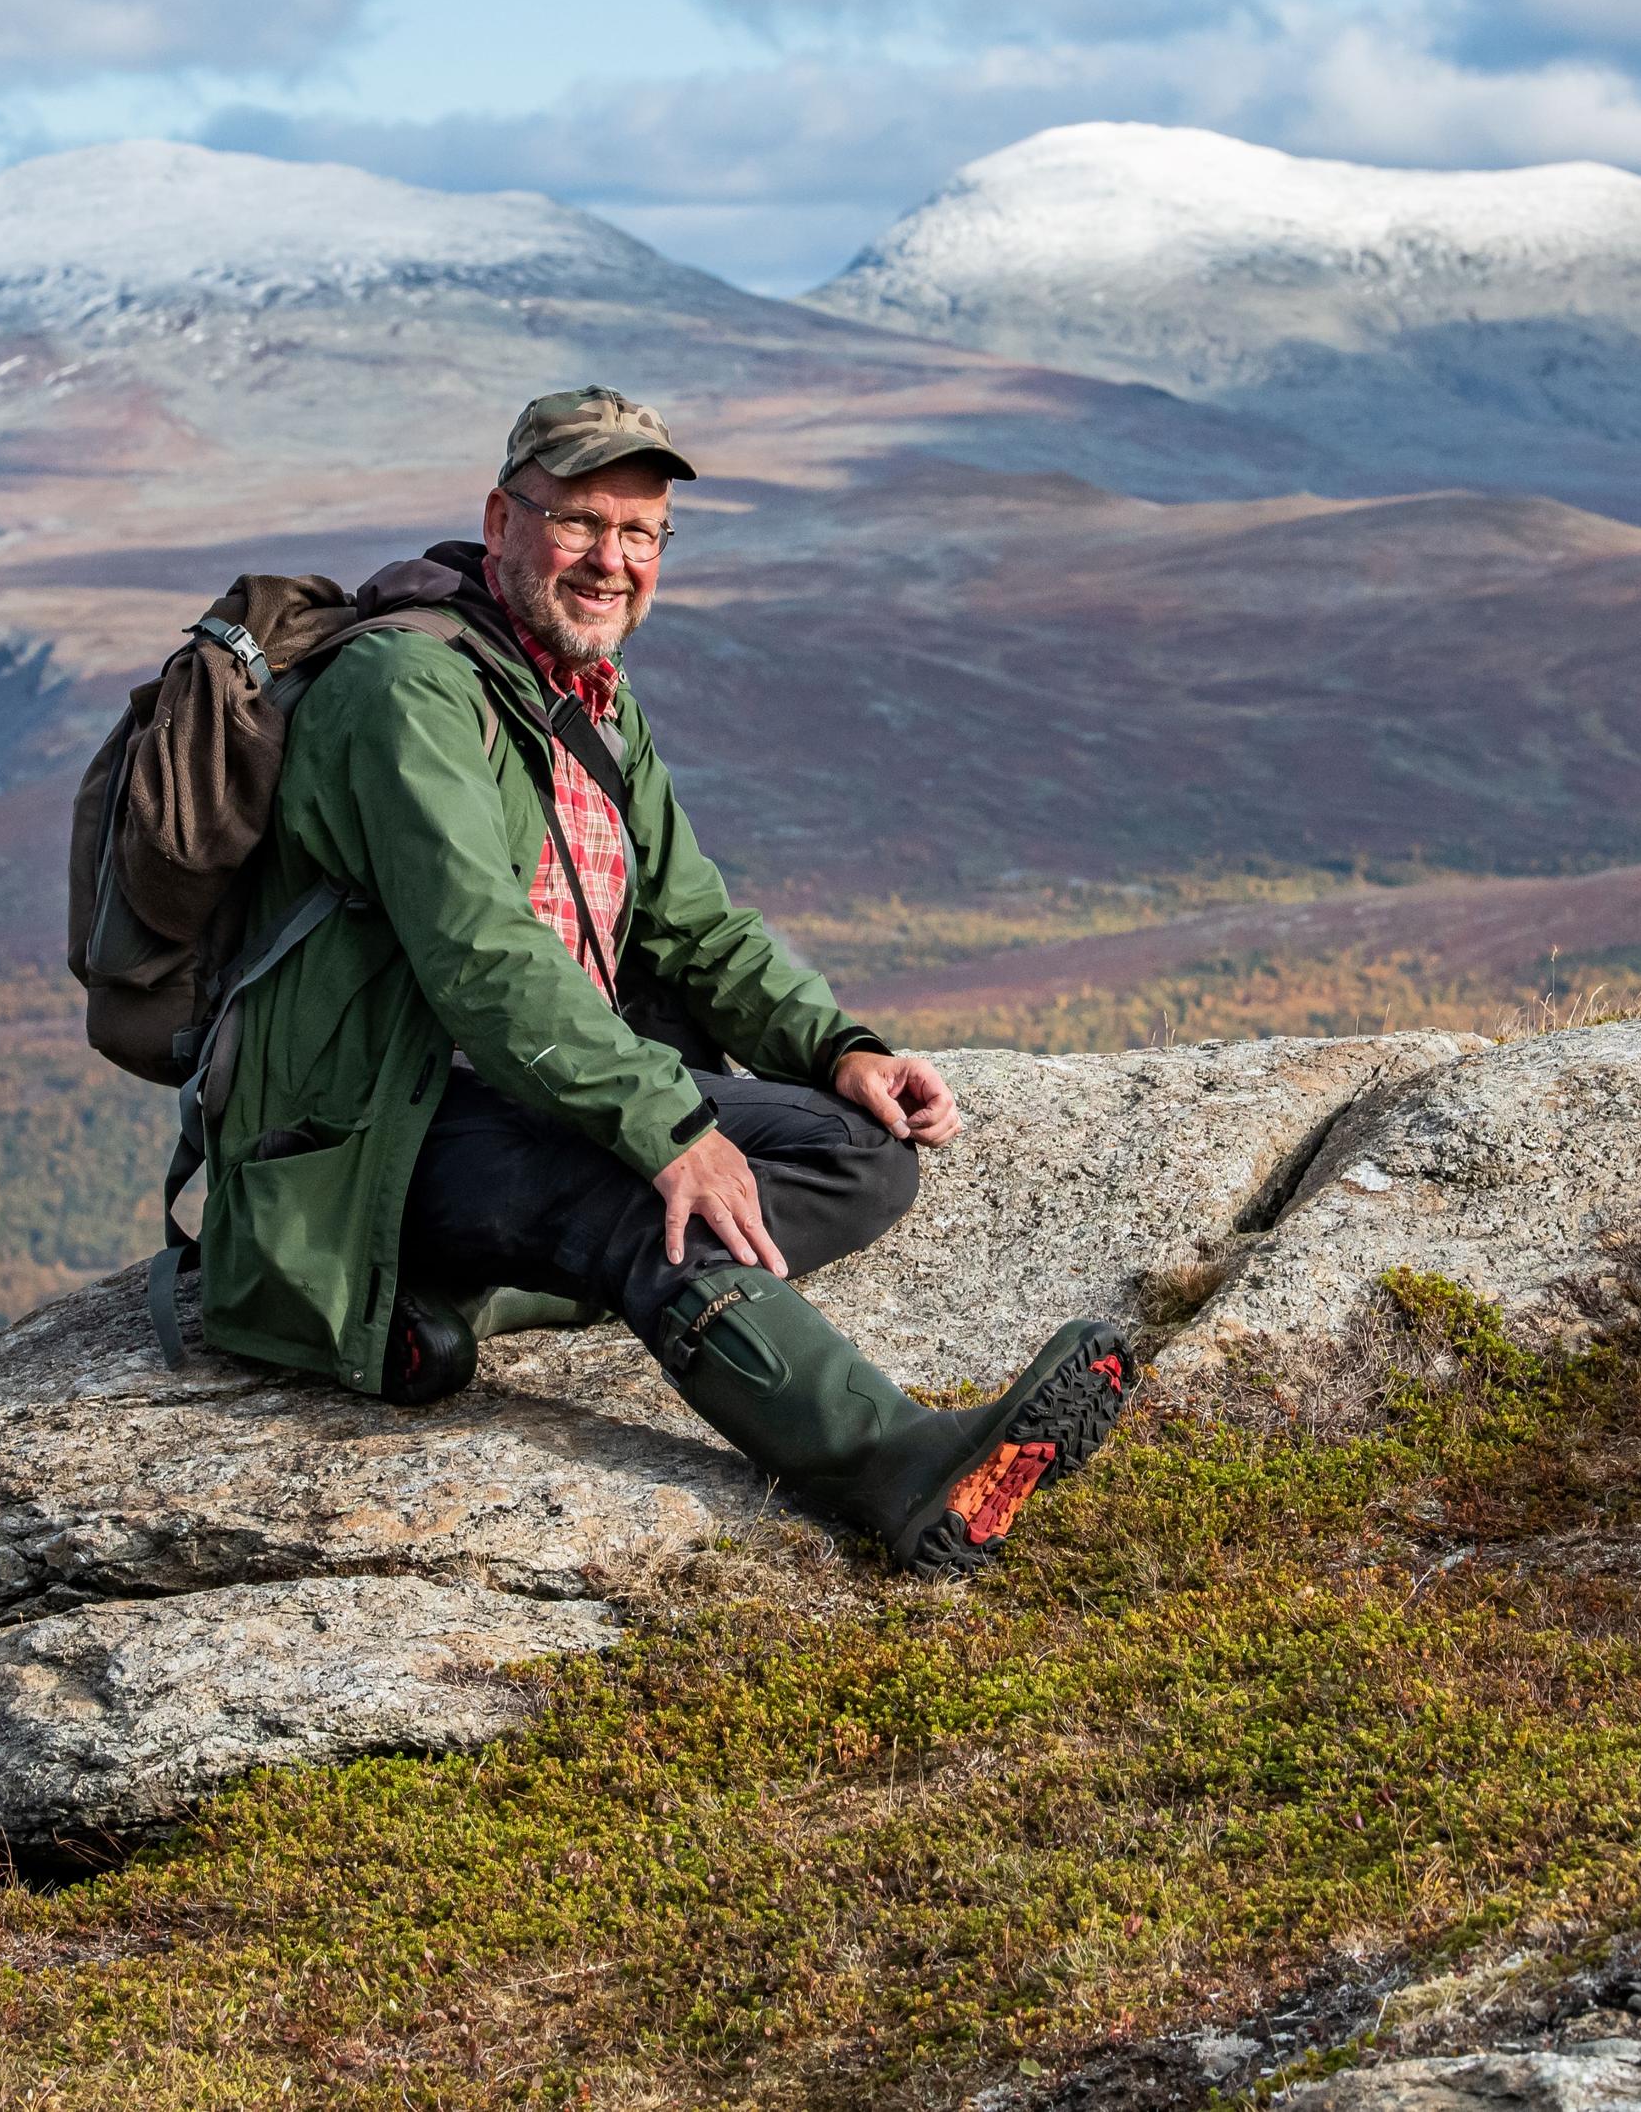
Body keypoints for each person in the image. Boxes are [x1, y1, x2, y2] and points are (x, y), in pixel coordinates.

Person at [190, 386, 1134, 1575]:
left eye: (642, 535)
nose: (613, 561)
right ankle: (895, 1467)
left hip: (515, 1094)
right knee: (654, 1201)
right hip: (378, 1125)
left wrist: (844, 1048)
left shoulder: (586, 697)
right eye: (582, 522)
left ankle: (487, 1293)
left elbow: (694, 926)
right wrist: (666, 1128)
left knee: (862, 1152)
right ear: (501, 520)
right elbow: (481, 964)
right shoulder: (409, 692)